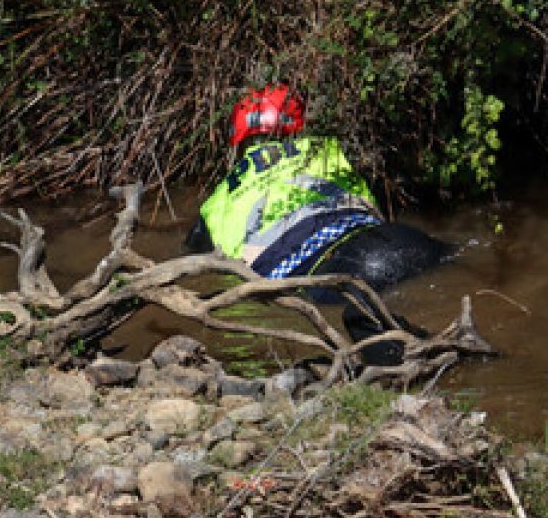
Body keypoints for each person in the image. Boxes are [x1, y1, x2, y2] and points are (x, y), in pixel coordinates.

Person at [186, 85, 452, 352]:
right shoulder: (326, 150)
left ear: (239, 138)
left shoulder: (216, 203)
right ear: (298, 126)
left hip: (335, 275)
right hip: (402, 239)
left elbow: (200, 266)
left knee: (376, 335)